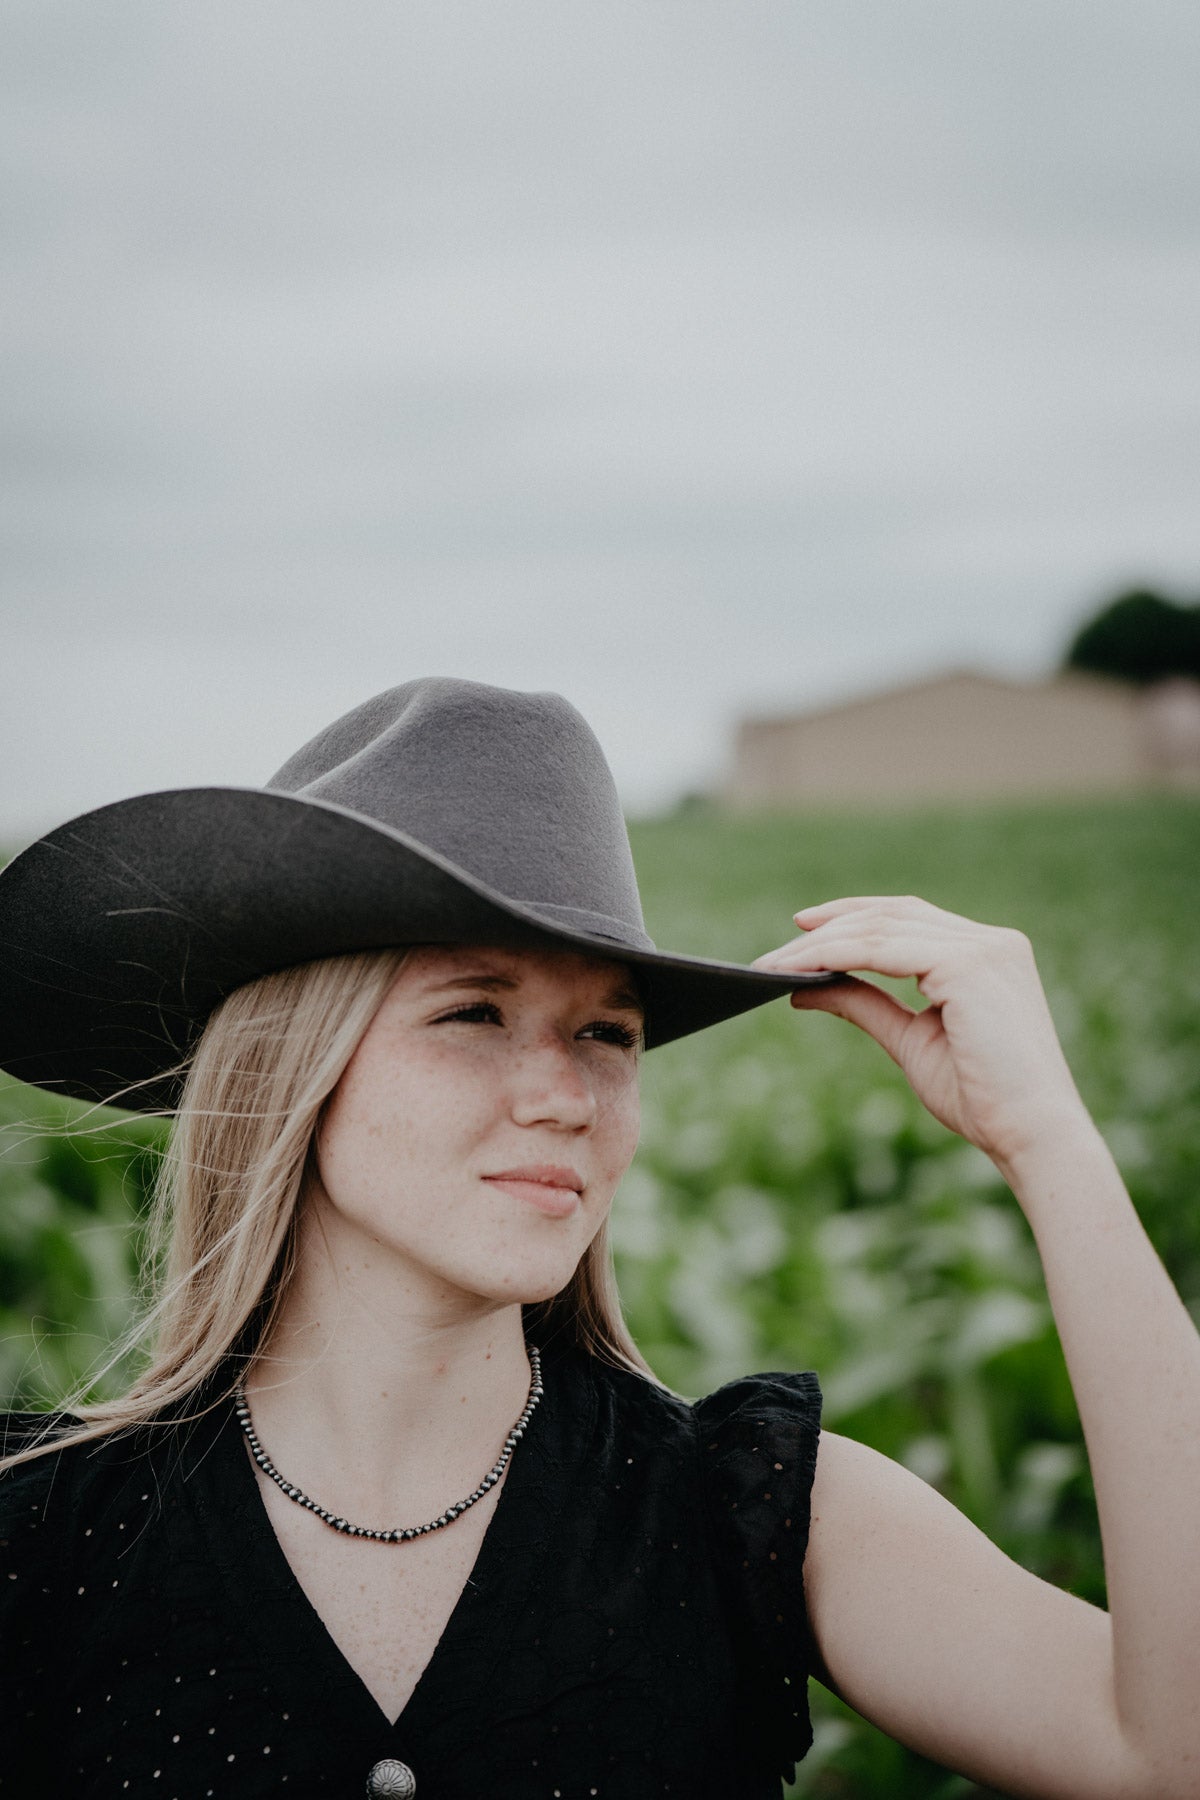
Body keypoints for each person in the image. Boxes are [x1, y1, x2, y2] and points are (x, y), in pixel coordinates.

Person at [1, 677, 1197, 1800]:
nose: (564, 1094)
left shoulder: (759, 1514)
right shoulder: (43, 1531)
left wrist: (1049, 1142)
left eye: (607, 1034)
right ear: (288, 1070)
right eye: (473, 1012)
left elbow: (1163, 1755)